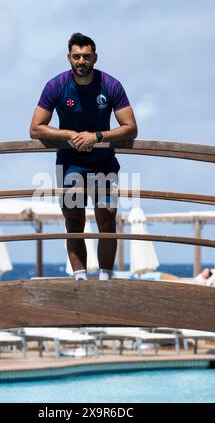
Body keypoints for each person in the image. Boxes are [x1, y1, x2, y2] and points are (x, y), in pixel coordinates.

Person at [30, 32, 137, 281]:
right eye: (76, 56)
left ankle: (105, 280)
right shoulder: (56, 86)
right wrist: (68, 134)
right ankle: (80, 279)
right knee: (74, 221)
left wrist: (96, 136)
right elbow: (35, 128)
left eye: (86, 56)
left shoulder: (110, 85)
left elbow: (130, 127)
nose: (81, 61)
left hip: (104, 162)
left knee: (107, 221)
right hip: (70, 163)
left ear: (95, 58)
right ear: (69, 58)